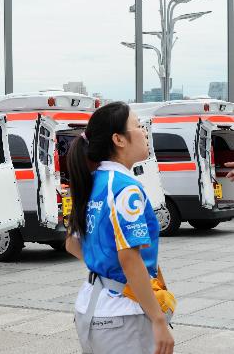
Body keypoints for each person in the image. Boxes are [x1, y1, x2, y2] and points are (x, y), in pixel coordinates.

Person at [65, 102, 175, 354]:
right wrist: (158, 319)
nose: (144, 132)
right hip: (122, 315)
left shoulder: (91, 182)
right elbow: (129, 257)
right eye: (137, 126)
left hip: (92, 304)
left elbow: (72, 243)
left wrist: (106, 269)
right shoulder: (126, 189)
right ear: (119, 139)